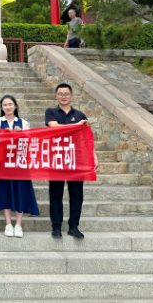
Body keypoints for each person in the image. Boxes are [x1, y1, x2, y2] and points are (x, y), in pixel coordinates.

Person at [46, 83, 100, 239]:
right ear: (56, 96)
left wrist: (94, 157)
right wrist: (76, 125)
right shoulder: (50, 112)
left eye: (66, 94)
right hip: (56, 158)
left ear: (71, 96)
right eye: (60, 94)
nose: (63, 96)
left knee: (77, 195)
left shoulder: (80, 115)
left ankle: (73, 226)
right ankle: (56, 227)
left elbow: (87, 138)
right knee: (55, 194)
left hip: (76, 159)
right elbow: (55, 128)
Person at [0, 95, 39, 238]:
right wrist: (4, 134)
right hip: (3, 163)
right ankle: (8, 224)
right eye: (5, 105)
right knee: (5, 192)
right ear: (1, 107)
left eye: (10, 104)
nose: (8, 107)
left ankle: (18, 225)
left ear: (15, 106)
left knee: (20, 191)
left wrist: (20, 134)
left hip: (19, 163)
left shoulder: (24, 123)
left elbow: (29, 143)